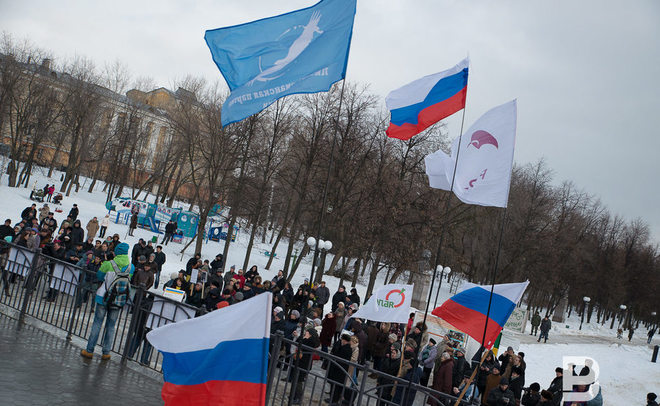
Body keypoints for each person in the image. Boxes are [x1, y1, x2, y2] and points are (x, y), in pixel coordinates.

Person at [80, 242, 133, 360]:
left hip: (103, 297)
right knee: (111, 326)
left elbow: (99, 276)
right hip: (118, 300)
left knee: (97, 323)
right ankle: (106, 352)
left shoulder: (108, 264)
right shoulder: (131, 267)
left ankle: (89, 350)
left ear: (117, 252)